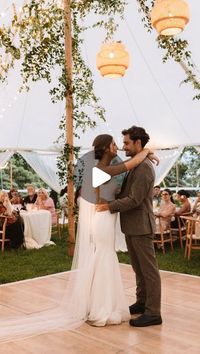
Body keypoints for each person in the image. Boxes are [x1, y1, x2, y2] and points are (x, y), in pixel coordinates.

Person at [0, 133, 158, 340]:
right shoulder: (102, 168)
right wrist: (147, 151)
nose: (118, 146)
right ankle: (104, 306)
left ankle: (102, 303)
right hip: (103, 216)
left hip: (103, 216)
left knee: (104, 256)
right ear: (106, 149)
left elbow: (128, 171)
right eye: (114, 144)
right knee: (105, 255)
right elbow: (132, 164)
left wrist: (145, 153)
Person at [97, 126, 162, 327]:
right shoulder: (136, 163)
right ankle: (142, 302)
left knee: (149, 271)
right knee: (138, 268)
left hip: (141, 226)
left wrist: (108, 206)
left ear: (137, 143)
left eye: (126, 142)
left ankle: (153, 312)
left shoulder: (143, 168)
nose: (123, 146)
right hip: (132, 225)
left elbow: (134, 199)